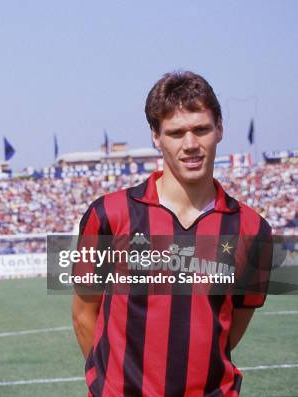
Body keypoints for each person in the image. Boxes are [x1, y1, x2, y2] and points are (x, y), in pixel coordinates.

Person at [72, 71, 271, 396]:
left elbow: (234, 326)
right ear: (156, 136)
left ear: (219, 129)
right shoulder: (109, 215)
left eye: (201, 129)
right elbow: (83, 314)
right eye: (176, 133)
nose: (190, 144)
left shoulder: (252, 229)